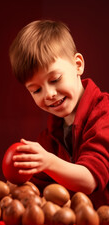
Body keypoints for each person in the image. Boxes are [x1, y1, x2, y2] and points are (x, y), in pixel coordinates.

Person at [9, 20, 109, 209]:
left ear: (78, 65)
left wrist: (48, 162)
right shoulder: (50, 136)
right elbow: (36, 187)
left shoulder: (104, 114)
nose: (49, 94)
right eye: (36, 90)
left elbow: (90, 179)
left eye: (55, 79)